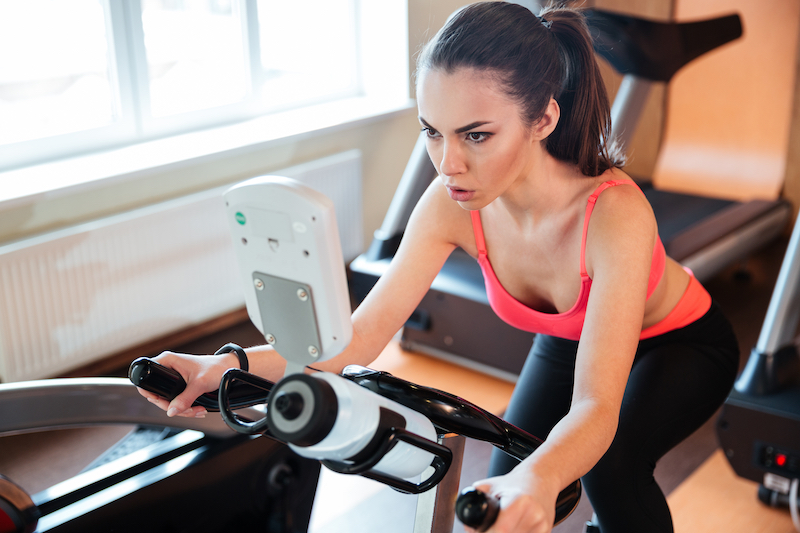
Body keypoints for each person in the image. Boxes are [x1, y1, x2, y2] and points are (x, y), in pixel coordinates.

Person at [137, 2, 740, 532]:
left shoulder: (614, 216)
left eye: (476, 135)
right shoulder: (449, 205)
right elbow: (359, 338)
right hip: (568, 339)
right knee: (499, 490)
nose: (447, 163)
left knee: (610, 467)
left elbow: (594, 408)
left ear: (544, 120)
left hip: (680, 345)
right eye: (432, 131)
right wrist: (228, 367)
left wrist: (543, 478)